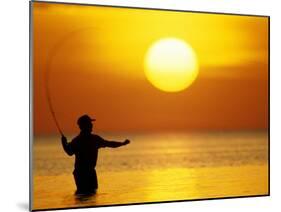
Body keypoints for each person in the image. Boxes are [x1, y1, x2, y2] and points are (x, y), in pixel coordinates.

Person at [61, 114, 130, 195]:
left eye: (91, 123)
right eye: (89, 123)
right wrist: (122, 144)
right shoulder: (93, 139)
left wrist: (64, 143)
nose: (91, 125)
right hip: (85, 173)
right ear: (84, 126)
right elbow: (110, 144)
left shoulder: (77, 140)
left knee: (84, 195)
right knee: (91, 194)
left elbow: (69, 152)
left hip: (84, 173)